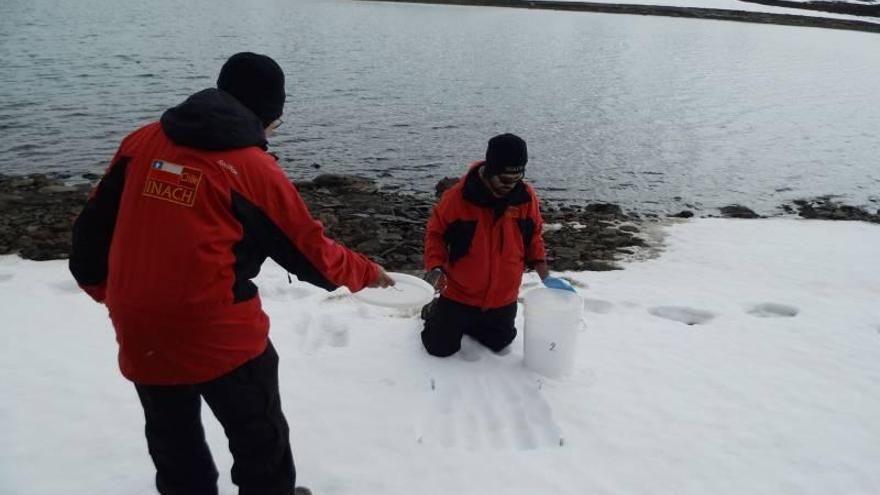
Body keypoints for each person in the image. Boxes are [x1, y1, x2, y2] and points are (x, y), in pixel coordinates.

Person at [69, 52, 393, 495]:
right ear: (268, 113)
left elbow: (91, 227)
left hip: (138, 322)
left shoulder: (142, 140)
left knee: (171, 435)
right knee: (259, 436)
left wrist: (108, 290)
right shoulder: (252, 169)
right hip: (217, 330)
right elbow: (310, 253)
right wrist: (368, 272)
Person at [421, 133, 574, 358]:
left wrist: (545, 275)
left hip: (503, 297)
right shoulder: (457, 198)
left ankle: (474, 323)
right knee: (439, 348)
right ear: (490, 170)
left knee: (499, 342)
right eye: (503, 179)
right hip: (460, 294)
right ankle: (434, 310)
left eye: (516, 179)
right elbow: (436, 234)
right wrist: (435, 267)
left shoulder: (525, 197)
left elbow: (534, 237)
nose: (510, 186)